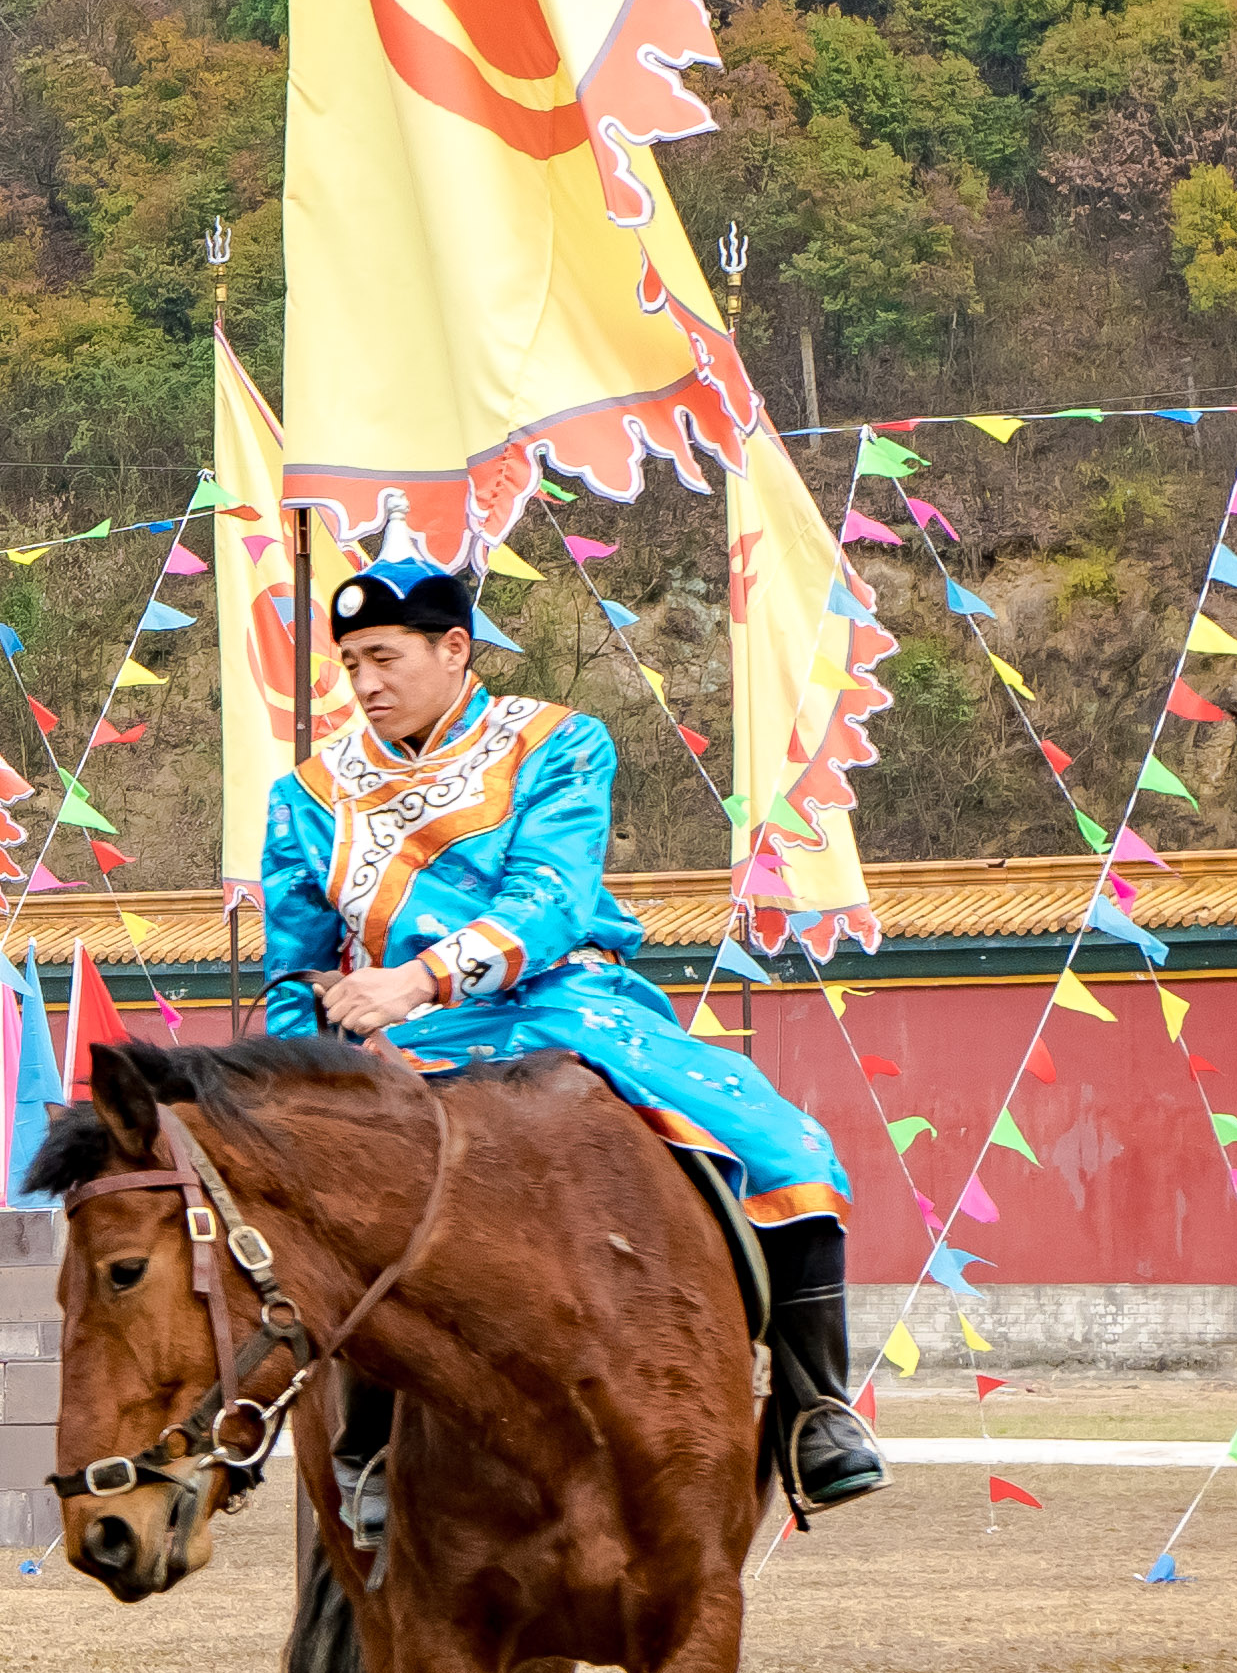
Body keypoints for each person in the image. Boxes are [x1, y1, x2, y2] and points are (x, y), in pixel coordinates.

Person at [258, 555, 887, 1519]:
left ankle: (813, 1410)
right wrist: (308, 1089)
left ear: (454, 648)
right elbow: (293, 969)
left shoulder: (558, 742)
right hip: (392, 1039)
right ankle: (368, 1441)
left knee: (789, 1144)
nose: (366, 684)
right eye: (350, 665)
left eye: (383, 658)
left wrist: (417, 979)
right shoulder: (305, 795)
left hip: (566, 1000)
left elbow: (548, 901)